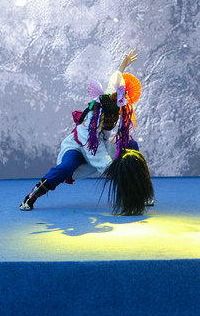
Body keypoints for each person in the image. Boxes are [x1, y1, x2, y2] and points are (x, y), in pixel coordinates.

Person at [19, 49, 154, 216]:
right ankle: (31, 197)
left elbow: (113, 86)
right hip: (79, 147)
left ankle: (144, 192)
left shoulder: (108, 102)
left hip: (102, 144)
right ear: (101, 115)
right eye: (109, 119)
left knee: (131, 145)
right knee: (66, 167)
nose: (113, 122)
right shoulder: (90, 124)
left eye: (116, 118)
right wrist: (118, 171)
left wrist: (122, 66)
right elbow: (95, 152)